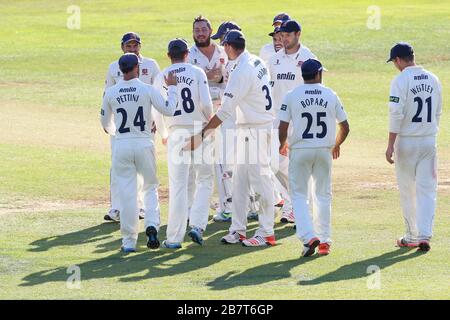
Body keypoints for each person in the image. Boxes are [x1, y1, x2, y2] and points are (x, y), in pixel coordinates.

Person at [185, 30, 276, 247]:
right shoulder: (255, 61)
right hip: (250, 128)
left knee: (261, 183)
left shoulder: (242, 70)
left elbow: (225, 111)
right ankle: (238, 229)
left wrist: (200, 136)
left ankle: (267, 232)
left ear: (228, 47)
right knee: (239, 183)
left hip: (256, 130)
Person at [100, 53, 178, 252]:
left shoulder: (111, 92)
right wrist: (173, 89)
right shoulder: (147, 89)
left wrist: (116, 132)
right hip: (144, 143)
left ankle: (128, 242)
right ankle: (151, 225)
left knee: (127, 193)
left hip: (122, 145)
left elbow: (105, 123)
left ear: (120, 69)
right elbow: (168, 110)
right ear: (136, 68)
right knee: (150, 188)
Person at [278, 59, 349, 257]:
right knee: (323, 195)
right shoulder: (330, 94)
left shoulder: (292, 95)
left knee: (299, 196)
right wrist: (337, 144)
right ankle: (324, 241)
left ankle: (308, 236)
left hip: (300, 150)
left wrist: (281, 143)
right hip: (324, 151)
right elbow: (345, 126)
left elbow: (282, 127)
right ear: (318, 74)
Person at [154, 39, 214, 249]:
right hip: (199, 131)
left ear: (169, 54)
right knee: (205, 179)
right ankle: (197, 225)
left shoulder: (161, 76)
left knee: (178, 186)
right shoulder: (197, 72)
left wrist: (163, 133)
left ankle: (173, 239)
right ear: (187, 53)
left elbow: (158, 109)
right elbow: (206, 103)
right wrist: (210, 123)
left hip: (175, 133)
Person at [385, 43, 442, 252]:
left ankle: (412, 236)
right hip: (429, 140)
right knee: (427, 190)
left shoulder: (400, 80)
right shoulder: (433, 79)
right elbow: (438, 112)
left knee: (408, 190)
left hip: (407, 142)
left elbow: (395, 113)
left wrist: (390, 144)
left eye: (394, 62)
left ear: (399, 60)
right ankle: (425, 235)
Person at [104, 32, 161, 222]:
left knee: (144, 168)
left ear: (140, 46)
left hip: (145, 127)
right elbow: (107, 97)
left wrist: (155, 120)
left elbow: (159, 93)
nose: (132, 49)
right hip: (121, 128)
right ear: (122, 48)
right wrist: (110, 126)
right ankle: (117, 208)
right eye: (129, 46)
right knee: (118, 167)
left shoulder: (151, 65)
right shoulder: (114, 68)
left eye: (135, 45)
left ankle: (142, 207)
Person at [268, 20, 318, 224]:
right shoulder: (274, 60)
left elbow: (317, 90)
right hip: (278, 119)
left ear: (298, 34)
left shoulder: (308, 58)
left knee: (299, 166)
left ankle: (296, 208)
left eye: (288, 34)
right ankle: (293, 203)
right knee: (275, 162)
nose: (284, 38)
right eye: (282, 35)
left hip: (300, 121)